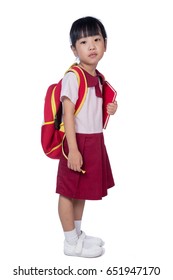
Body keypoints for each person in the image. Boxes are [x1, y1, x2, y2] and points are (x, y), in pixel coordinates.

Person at [56, 16, 118, 257]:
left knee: (80, 191)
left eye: (96, 39)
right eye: (83, 41)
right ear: (74, 49)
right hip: (76, 141)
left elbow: (92, 107)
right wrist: (73, 149)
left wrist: (110, 109)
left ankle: (77, 234)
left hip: (93, 141)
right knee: (68, 191)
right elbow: (68, 115)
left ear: (105, 44)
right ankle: (70, 242)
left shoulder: (98, 77)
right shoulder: (73, 76)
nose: (91, 46)